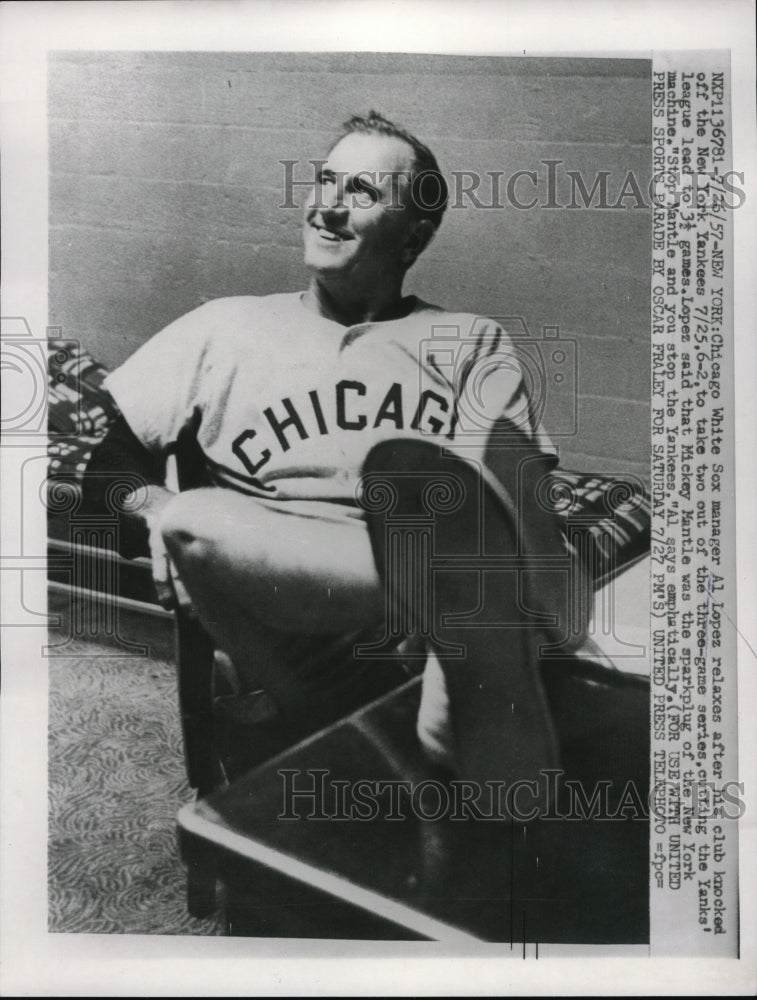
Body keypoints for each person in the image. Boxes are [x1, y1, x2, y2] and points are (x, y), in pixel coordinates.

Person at [84, 112, 584, 788]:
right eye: (325, 181)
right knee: (192, 522)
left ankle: (462, 646)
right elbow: (106, 472)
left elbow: (516, 498)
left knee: (498, 504)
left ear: (413, 237)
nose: (328, 206)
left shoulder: (468, 339)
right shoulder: (223, 325)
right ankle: (472, 637)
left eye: (363, 191)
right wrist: (154, 512)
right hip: (290, 605)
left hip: (423, 598)